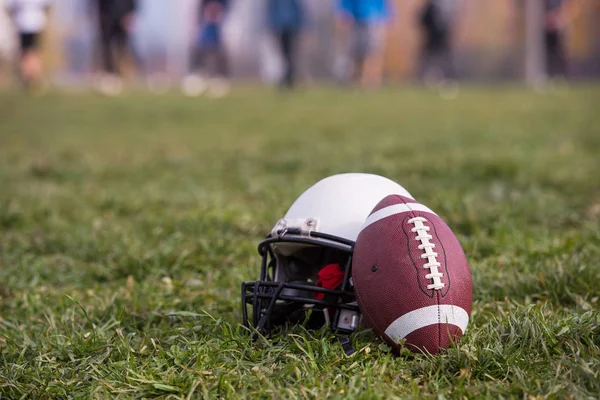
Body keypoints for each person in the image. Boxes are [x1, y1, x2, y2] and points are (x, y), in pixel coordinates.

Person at [334, 0, 391, 88]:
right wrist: (344, 13)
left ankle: (371, 80)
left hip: (374, 20)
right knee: (355, 53)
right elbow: (345, 3)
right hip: (355, 21)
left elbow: (385, 4)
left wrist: (388, 17)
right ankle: (355, 79)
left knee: (373, 52)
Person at [181, 0, 230, 97]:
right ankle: (197, 73)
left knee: (215, 46)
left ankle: (219, 77)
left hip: (217, 17)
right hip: (206, 18)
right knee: (202, 44)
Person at [5, 0, 53, 92]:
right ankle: (32, 78)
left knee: (28, 53)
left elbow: (9, 7)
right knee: (32, 53)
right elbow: (47, 6)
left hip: (26, 23)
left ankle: (31, 78)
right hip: (32, 23)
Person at [94, 0, 139, 95]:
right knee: (106, 46)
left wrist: (130, 12)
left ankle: (123, 76)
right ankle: (109, 75)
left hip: (122, 14)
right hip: (105, 14)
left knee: (122, 47)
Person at [418, 0, 462, 87]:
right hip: (433, 37)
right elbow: (422, 20)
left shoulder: (444, 5)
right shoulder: (433, 5)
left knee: (443, 59)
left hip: (441, 37)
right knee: (432, 59)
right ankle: (430, 79)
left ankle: (449, 80)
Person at [266, 0, 305, 89]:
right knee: (283, 55)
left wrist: (301, 26)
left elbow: (299, 11)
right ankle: (285, 78)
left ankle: (289, 78)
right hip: (281, 28)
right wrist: (272, 26)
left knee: (290, 55)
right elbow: (272, 11)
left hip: (292, 28)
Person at [544, 0, 571, 79]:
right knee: (548, 54)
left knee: (559, 53)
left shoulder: (558, 3)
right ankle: (549, 75)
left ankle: (561, 75)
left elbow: (564, 10)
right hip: (547, 31)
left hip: (557, 31)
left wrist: (557, 21)